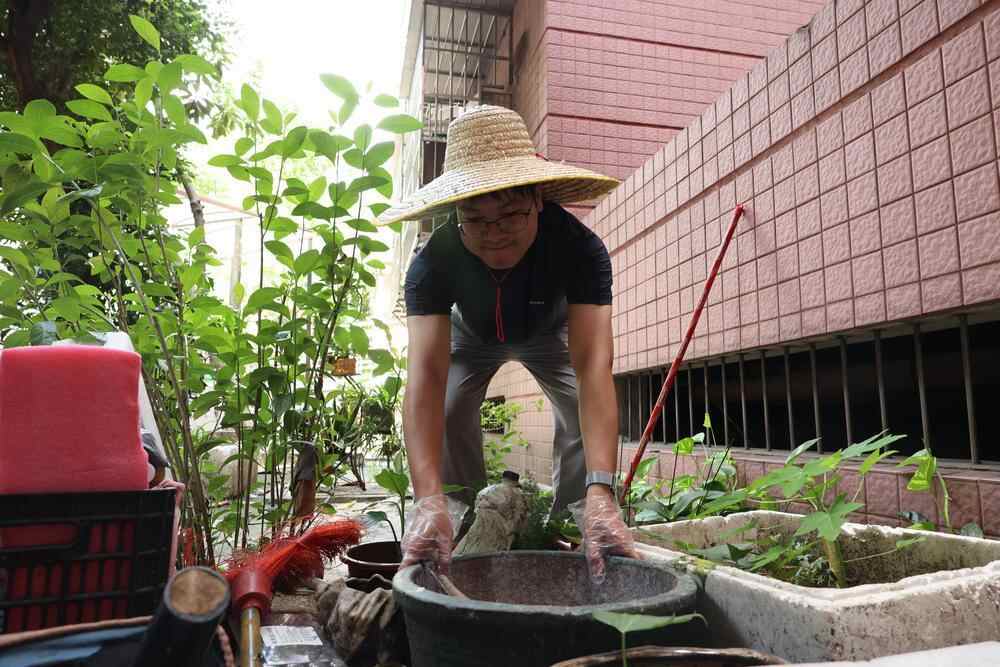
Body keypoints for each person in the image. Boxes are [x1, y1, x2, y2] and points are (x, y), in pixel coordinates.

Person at [378, 105, 637, 582]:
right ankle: (455, 520)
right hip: (471, 336)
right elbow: (426, 378)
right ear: (456, 213)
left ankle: (581, 518)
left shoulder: (580, 248)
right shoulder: (432, 263)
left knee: (577, 404)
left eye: (511, 215)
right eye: (475, 220)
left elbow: (593, 366)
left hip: (548, 332)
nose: (493, 234)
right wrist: (427, 498)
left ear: (538, 200)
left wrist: (603, 488)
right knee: (449, 406)